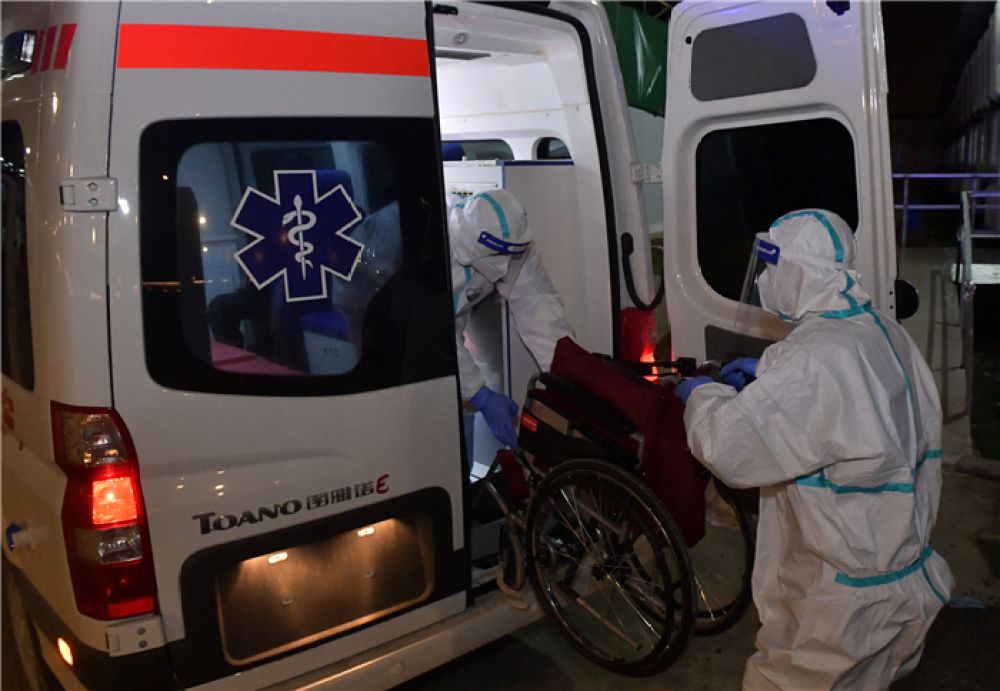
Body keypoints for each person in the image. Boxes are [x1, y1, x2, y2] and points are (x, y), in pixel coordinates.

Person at [674, 209, 954, 690]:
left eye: (773, 267)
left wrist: (702, 394)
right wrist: (768, 376)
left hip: (840, 605)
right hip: (899, 577)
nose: (765, 279)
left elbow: (727, 446)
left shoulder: (814, 358)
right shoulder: (882, 330)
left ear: (799, 272)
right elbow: (844, 406)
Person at [449, 189, 573, 448]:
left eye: (512, 255)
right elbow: (429, 333)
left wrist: (566, 376)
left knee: (459, 440)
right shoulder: (435, 246)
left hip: (445, 345)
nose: (505, 265)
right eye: (497, 255)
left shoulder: (513, 244)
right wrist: (480, 394)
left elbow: (537, 305)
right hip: (400, 354)